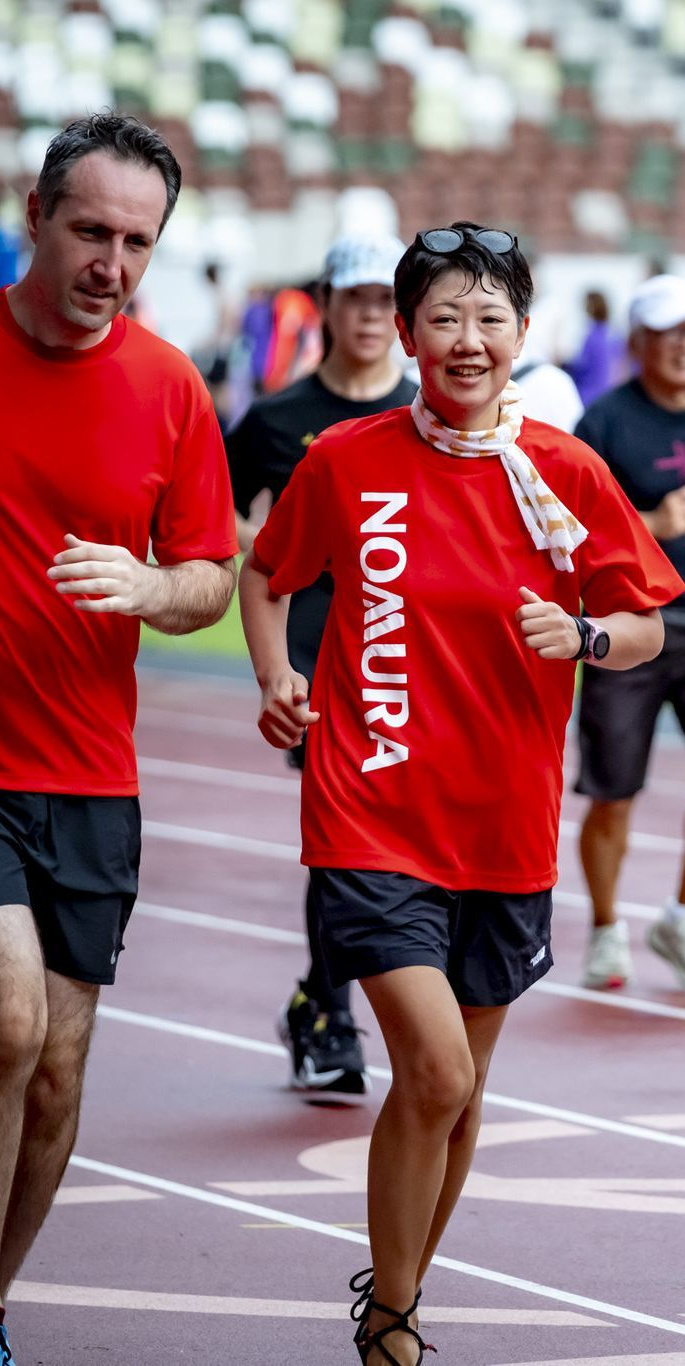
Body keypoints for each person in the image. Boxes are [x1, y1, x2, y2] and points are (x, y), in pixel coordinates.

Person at [237, 222, 683, 1364]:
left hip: (504, 826)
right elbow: (267, 571)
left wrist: (584, 634)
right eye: (444, 317)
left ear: (522, 333)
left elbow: (643, 623)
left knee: (463, 1091)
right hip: (372, 812)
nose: (467, 340)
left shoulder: (564, 474)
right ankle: (391, 1324)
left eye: (490, 317)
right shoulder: (348, 459)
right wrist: (278, 675)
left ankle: (396, 1300)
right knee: (433, 1070)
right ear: (407, 331)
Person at [0, 114, 238, 1366]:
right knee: (8, 1022)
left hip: (91, 772)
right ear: (34, 215)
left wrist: (150, 588)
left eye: (138, 243)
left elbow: (209, 574)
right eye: (91, 231)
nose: (112, 264)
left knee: (56, 1068)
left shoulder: (169, 386)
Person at [228, 231, 415, 1101]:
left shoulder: (428, 410)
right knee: (346, 834)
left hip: (409, 649)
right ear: (328, 306)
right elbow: (214, 518)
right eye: (356, 298)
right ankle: (332, 1014)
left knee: (398, 839)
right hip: (315, 648)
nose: (371, 315)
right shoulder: (277, 419)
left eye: (387, 300)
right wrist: (268, 542)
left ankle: (321, 993)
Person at [574, 274, 685, 991]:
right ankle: (605, 929)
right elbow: (570, 535)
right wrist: (653, 524)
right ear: (638, 343)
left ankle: (682, 917)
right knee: (613, 796)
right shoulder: (604, 423)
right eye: (669, 333)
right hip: (629, 633)